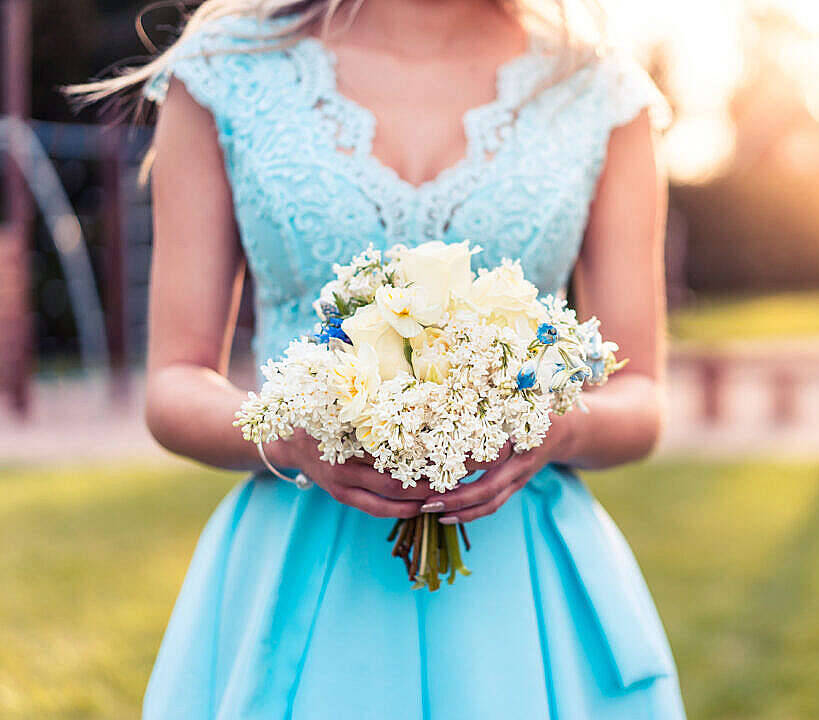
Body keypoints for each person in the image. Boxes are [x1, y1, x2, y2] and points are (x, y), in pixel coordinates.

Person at [75, 0, 684, 716]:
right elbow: (173, 385)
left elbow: (641, 394)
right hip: (302, 570)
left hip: (522, 582)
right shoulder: (223, 73)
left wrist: (558, 428)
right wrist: (295, 436)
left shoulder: (597, 89)